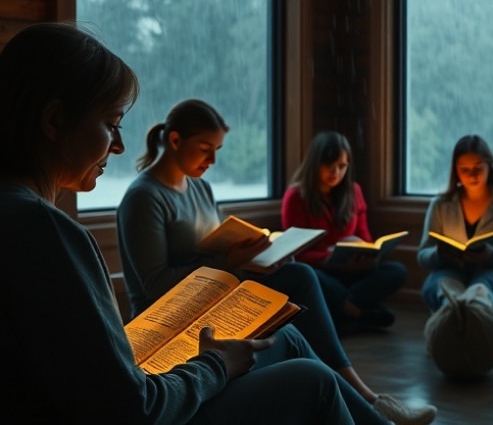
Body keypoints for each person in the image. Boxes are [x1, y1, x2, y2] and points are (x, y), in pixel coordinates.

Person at [0, 22, 353, 423]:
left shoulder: (24, 219)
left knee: (287, 328)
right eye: (111, 124)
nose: (118, 146)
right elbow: (132, 408)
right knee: (311, 380)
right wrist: (215, 366)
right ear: (55, 121)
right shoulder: (48, 230)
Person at [118, 99, 436, 425]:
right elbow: (155, 286)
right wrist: (231, 264)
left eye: (217, 149)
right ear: (174, 141)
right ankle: (369, 404)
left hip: (211, 303)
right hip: (172, 328)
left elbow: (215, 249)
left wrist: (257, 255)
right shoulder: (145, 197)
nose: (213, 159)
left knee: (298, 274)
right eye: (204, 148)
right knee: (299, 306)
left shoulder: (200, 188)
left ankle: (368, 401)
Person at [281, 131, 407, 333]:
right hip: (323, 272)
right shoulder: (296, 196)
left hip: (353, 272)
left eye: (342, 166)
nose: (335, 172)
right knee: (309, 276)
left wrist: (367, 255)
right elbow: (297, 254)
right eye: (329, 165)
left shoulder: (353, 191)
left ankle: (345, 310)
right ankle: (357, 312)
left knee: (396, 271)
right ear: (315, 163)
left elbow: (365, 238)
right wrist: (332, 256)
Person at [416, 135, 493, 346]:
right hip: (450, 270)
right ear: (455, 170)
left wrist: (491, 255)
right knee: (444, 287)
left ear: (490, 166)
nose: (472, 175)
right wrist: (440, 253)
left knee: (482, 287)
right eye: (464, 169)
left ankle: (479, 313)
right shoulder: (440, 205)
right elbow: (423, 255)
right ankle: (455, 314)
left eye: (478, 167)